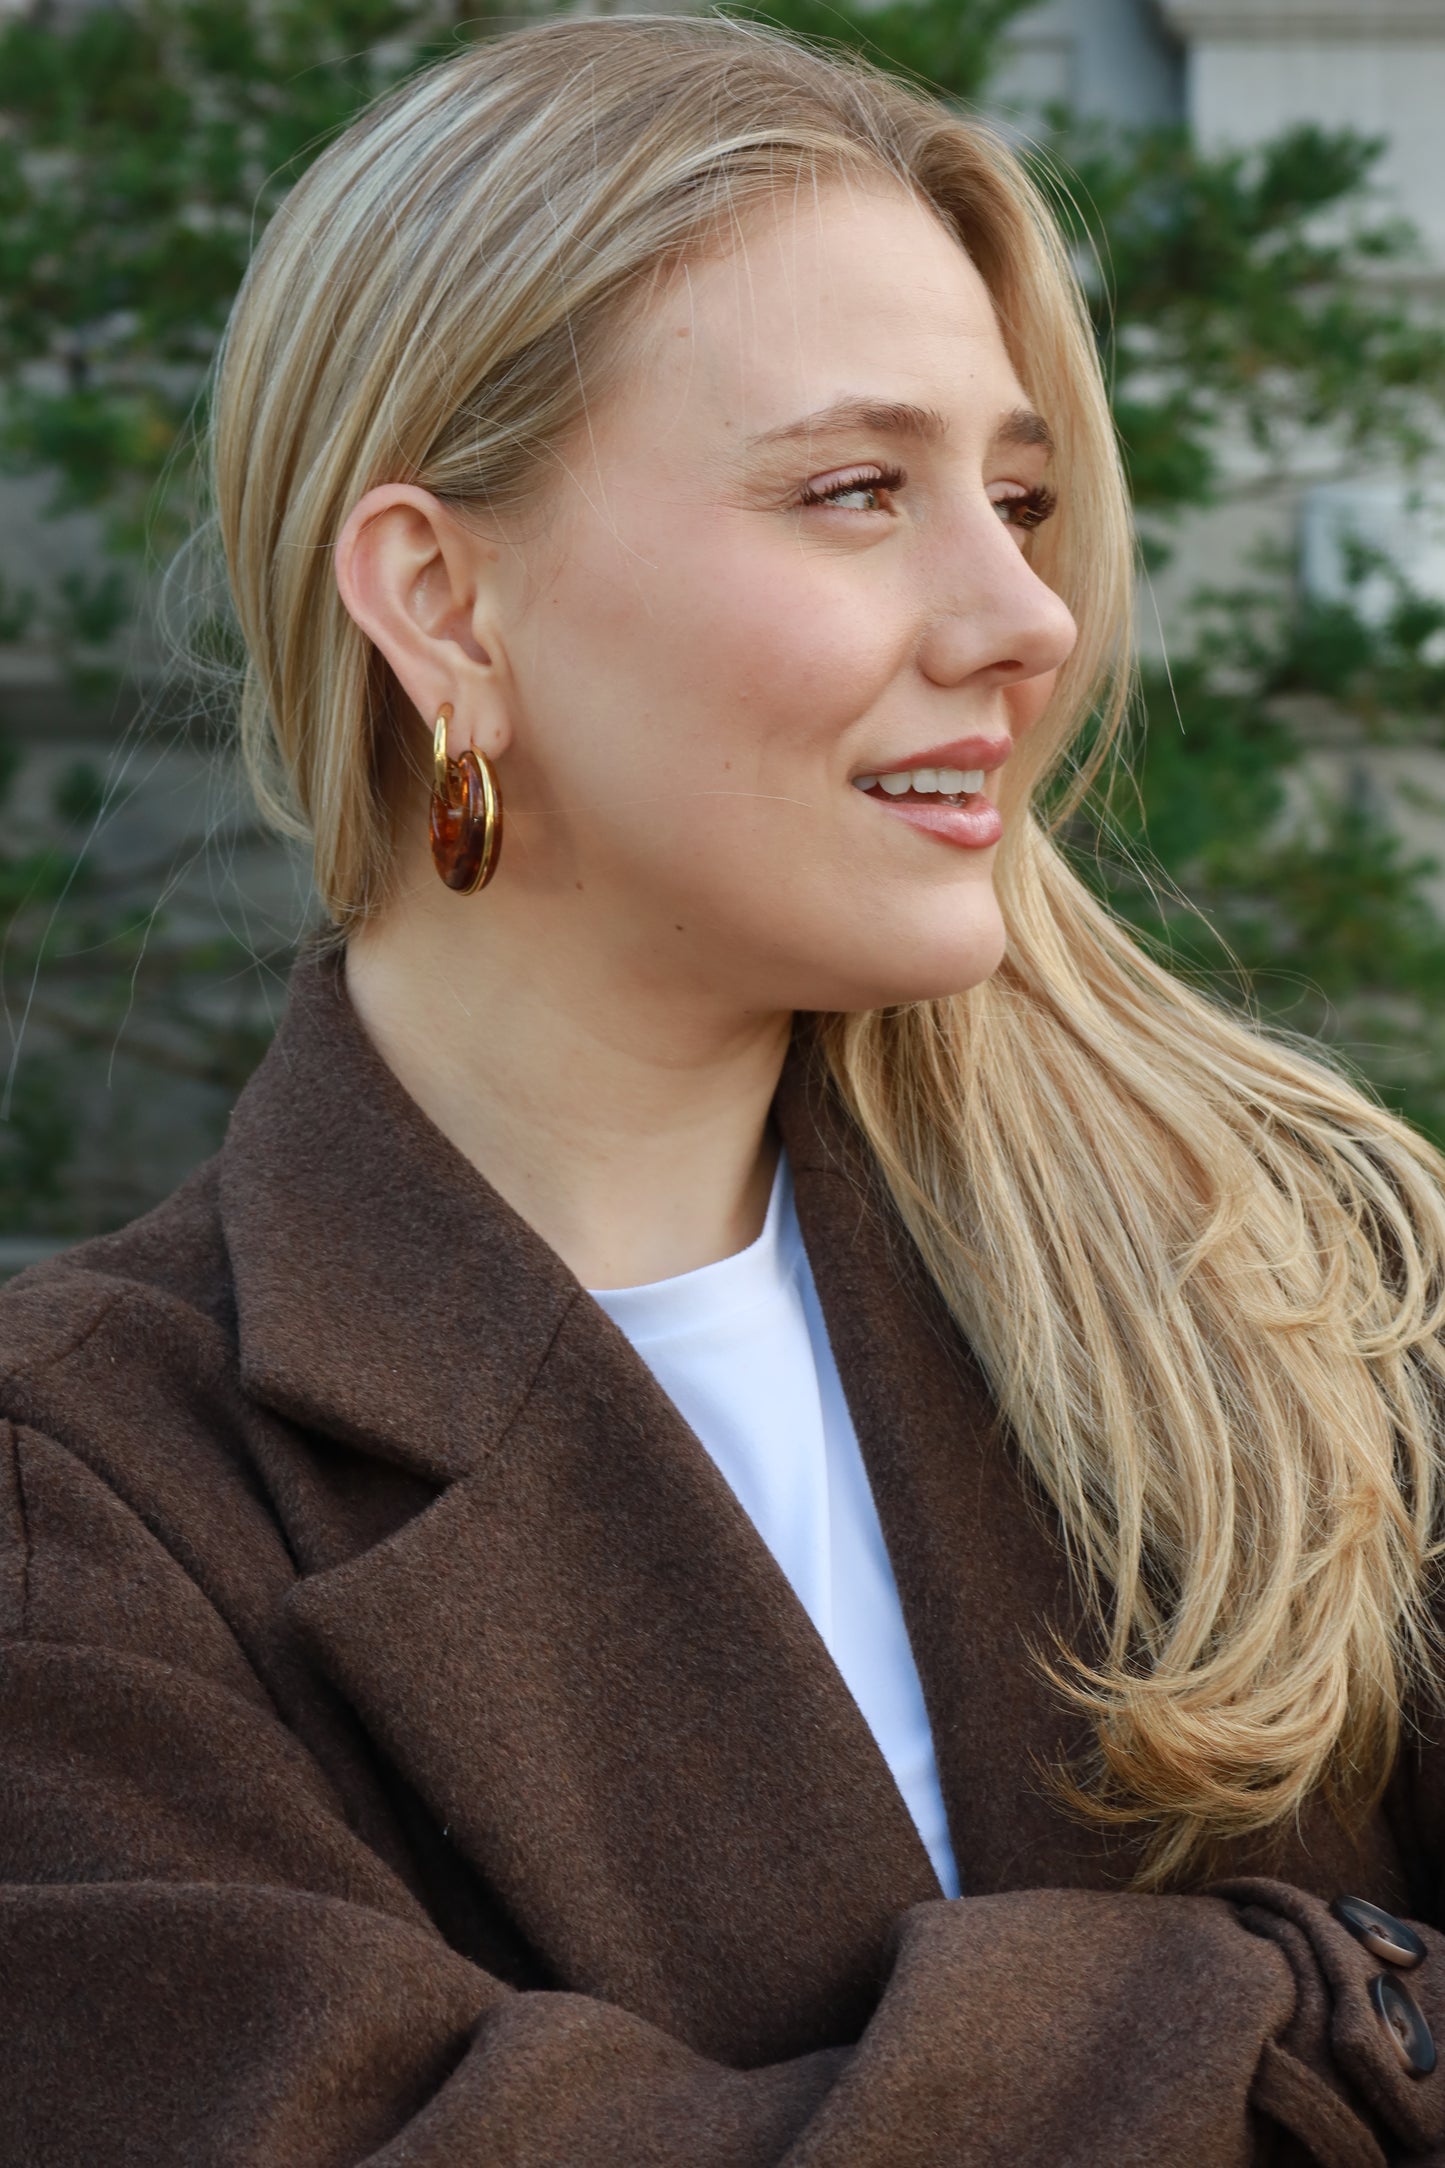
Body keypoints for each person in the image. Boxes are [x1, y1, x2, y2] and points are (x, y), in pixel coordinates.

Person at [3, 12, 1444, 2161]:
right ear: (439, 599)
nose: (1024, 613)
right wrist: (1308, 2016)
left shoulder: (1312, 1298)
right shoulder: (84, 1495)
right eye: (857, 490)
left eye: (1022, 498)